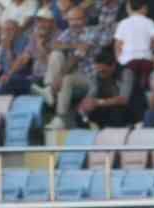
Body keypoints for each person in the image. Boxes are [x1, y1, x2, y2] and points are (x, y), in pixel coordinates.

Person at [46, 1, 109, 130]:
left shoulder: (92, 31)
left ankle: (61, 117)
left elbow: (76, 57)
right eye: (72, 20)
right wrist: (73, 45)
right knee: (55, 54)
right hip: (76, 75)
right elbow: (54, 45)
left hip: (92, 78)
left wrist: (59, 77)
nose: (75, 23)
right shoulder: (69, 33)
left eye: (78, 19)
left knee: (66, 79)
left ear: (85, 19)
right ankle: (49, 88)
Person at [79, 48, 142, 128]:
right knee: (80, 115)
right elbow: (92, 93)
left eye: (103, 71)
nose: (101, 74)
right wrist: (85, 104)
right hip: (107, 107)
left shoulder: (126, 73)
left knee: (117, 111)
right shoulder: (98, 75)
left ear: (113, 66)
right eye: (98, 71)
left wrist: (98, 102)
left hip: (130, 109)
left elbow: (123, 100)